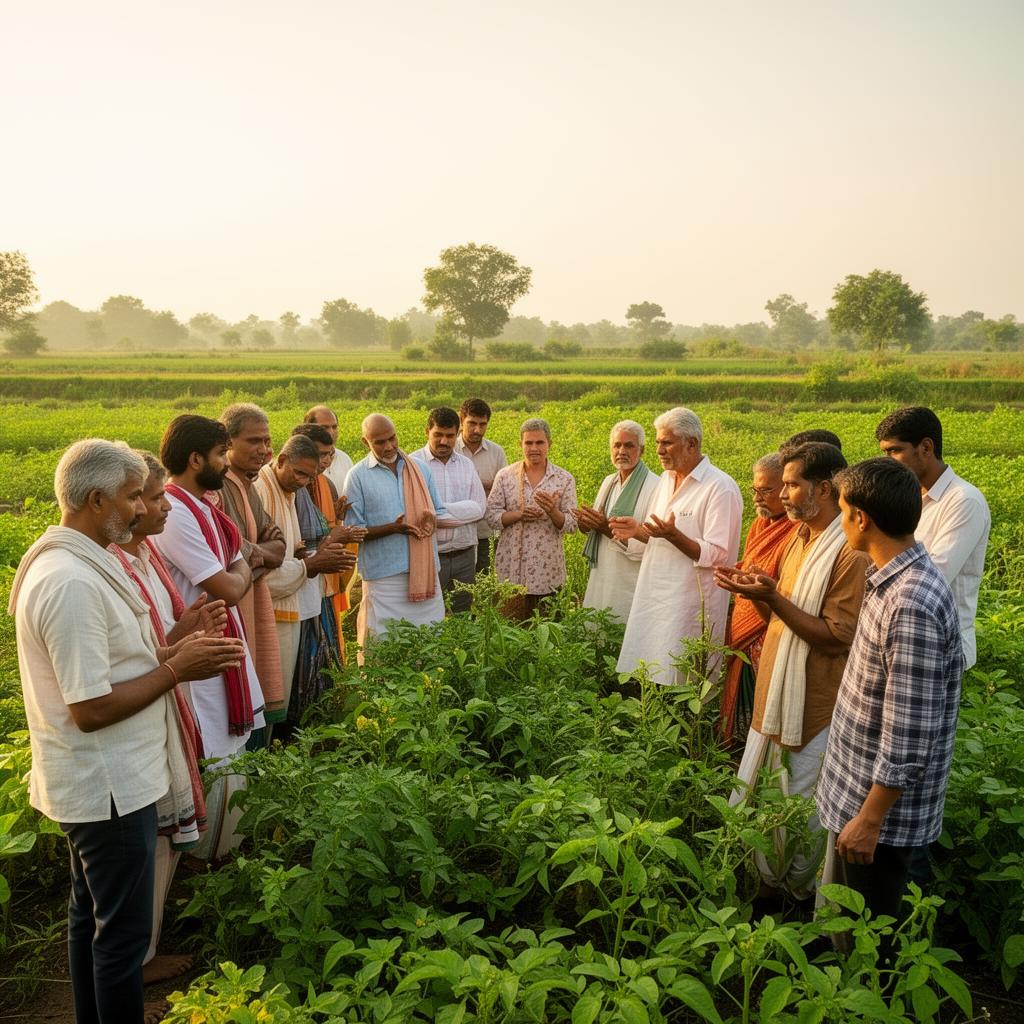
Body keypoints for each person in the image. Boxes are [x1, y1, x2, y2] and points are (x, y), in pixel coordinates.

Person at [8, 439, 241, 1024]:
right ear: (95, 499)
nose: (143, 509)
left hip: (108, 782)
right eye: (134, 496)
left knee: (93, 919)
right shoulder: (72, 582)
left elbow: (113, 664)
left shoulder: (87, 559)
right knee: (121, 941)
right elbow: (87, 707)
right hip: (106, 785)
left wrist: (174, 646)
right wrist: (175, 668)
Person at [816, 457, 962, 955]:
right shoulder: (891, 579)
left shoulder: (911, 602)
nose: (839, 520)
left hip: (879, 821)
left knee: (865, 947)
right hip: (857, 795)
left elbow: (909, 731)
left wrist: (870, 818)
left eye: (842, 509)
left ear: (862, 519)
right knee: (845, 928)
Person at [715, 443, 869, 903]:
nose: (782, 494)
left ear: (823, 489)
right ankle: (770, 893)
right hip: (777, 693)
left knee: (802, 811)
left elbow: (836, 635)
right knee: (767, 799)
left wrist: (771, 599)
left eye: (791, 484)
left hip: (815, 703)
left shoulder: (847, 553)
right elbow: (784, 614)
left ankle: (798, 905)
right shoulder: (800, 538)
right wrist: (763, 594)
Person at [111, 452, 226, 986]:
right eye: (149, 498)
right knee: (141, 855)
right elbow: (104, 687)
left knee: (157, 845)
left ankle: (145, 946)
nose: (160, 508)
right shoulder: (105, 568)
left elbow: (152, 644)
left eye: (154, 496)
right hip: (130, 733)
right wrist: (178, 661)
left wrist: (185, 627)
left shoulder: (144, 558)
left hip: (155, 714)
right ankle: (138, 957)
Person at [151, 415, 267, 859]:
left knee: (230, 754)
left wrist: (242, 566)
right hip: (198, 645)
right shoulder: (178, 511)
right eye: (221, 454)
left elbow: (238, 564)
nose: (226, 461)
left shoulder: (204, 506)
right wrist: (246, 566)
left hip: (220, 637)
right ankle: (207, 860)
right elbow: (230, 585)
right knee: (213, 756)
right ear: (196, 458)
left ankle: (225, 851)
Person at [612, 407, 742, 686]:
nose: (659, 450)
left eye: (667, 442)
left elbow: (718, 554)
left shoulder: (720, 488)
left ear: (691, 443)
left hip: (690, 601)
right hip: (656, 593)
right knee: (652, 671)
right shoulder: (667, 480)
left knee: (686, 679)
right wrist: (638, 530)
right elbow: (658, 532)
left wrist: (674, 536)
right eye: (658, 442)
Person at [344, 413, 473, 652]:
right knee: (383, 644)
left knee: (428, 640)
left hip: (424, 570)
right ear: (366, 442)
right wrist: (393, 528)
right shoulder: (357, 476)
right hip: (383, 577)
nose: (389, 446)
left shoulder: (420, 469)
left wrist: (430, 519)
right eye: (380, 442)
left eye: (392, 438)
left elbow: (438, 510)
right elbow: (353, 531)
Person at [875, 406, 989, 670]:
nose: (888, 460)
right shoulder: (910, 497)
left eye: (895, 450)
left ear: (926, 447)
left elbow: (933, 576)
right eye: (885, 452)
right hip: (909, 638)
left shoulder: (964, 500)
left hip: (943, 647)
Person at [253, 434, 355, 728]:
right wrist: (310, 564)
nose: (302, 482)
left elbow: (288, 548)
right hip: (270, 608)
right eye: (298, 473)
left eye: (308, 477)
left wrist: (306, 555)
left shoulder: (291, 492)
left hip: (291, 599)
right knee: (268, 694)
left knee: (282, 691)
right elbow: (261, 566)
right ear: (281, 460)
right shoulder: (262, 489)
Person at [717, 452, 799, 747]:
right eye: (755, 490)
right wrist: (740, 574)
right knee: (739, 702)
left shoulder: (797, 531)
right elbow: (753, 563)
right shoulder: (758, 526)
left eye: (766, 490)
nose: (758, 497)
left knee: (764, 708)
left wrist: (756, 583)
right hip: (744, 624)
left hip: (768, 627)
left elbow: (788, 586)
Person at [218, 404, 287, 738]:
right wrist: (257, 554)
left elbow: (279, 543)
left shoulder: (249, 487)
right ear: (227, 442)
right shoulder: (216, 490)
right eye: (254, 441)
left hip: (251, 599)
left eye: (267, 441)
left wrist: (252, 554)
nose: (264, 450)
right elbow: (231, 551)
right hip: (228, 609)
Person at [485, 417, 578, 619]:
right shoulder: (506, 476)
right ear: (521, 444)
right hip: (511, 569)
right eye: (528, 443)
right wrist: (519, 515)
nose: (534, 448)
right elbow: (491, 516)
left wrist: (553, 511)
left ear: (549, 444)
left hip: (548, 571)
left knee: (547, 627)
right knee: (511, 627)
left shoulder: (563, 479)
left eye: (539, 442)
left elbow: (572, 525)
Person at [292, 423, 365, 662]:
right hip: (299, 579)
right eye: (321, 454)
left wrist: (339, 522)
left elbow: (326, 528)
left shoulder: (327, 484)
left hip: (323, 580)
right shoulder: (291, 487)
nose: (326, 461)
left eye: (330, 454)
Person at [577, 420, 659, 623]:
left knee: (623, 629)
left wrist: (604, 526)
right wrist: (585, 523)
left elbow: (647, 542)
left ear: (642, 450)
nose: (621, 451)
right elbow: (597, 525)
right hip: (602, 572)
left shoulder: (655, 485)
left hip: (630, 577)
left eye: (629, 445)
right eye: (617, 445)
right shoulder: (609, 481)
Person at [410, 407, 486, 612]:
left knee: (464, 614)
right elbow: (416, 514)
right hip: (429, 555)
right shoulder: (412, 465)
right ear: (427, 432)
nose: (444, 441)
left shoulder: (466, 465)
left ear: (458, 434)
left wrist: (438, 511)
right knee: (427, 616)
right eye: (438, 435)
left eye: (450, 436)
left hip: (465, 555)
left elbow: (480, 508)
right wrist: (463, 512)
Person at [455, 398, 507, 573]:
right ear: (461, 421)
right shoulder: (450, 448)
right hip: (455, 535)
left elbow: (505, 490)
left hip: (486, 532)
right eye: (472, 423)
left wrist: (478, 483)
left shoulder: (496, 452)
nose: (478, 429)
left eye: (482, 424)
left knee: (485, 582)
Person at [304, 404, 354, 496]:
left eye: (334, 427)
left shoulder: (345, 459)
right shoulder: (302, 462)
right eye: (324, 427)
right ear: (309, 429)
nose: (331, 432)